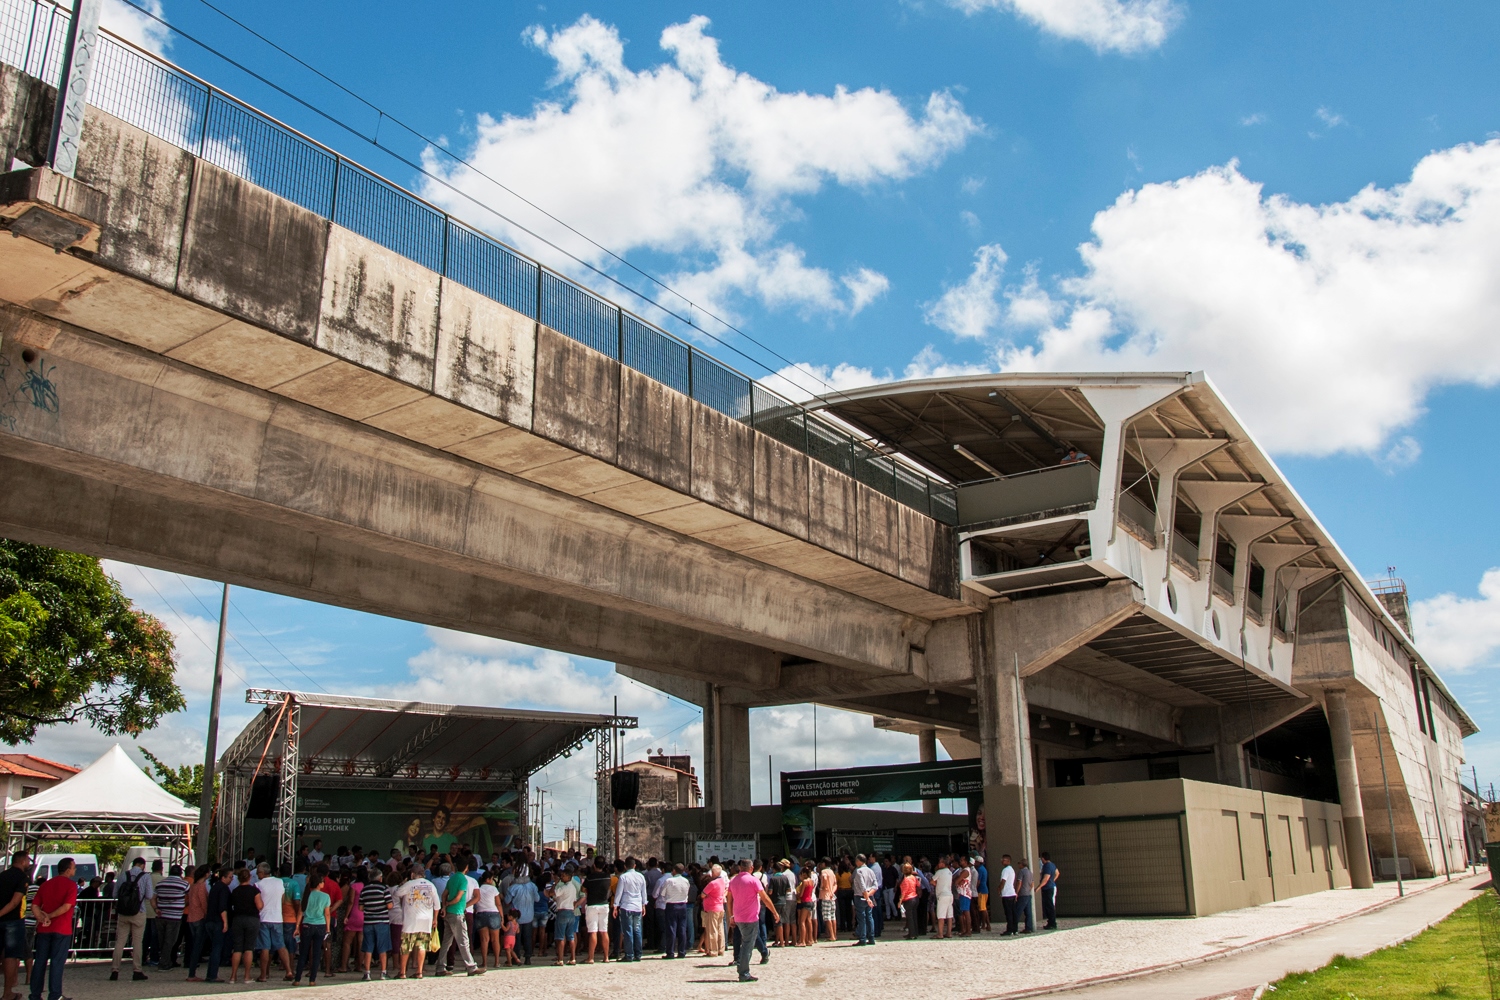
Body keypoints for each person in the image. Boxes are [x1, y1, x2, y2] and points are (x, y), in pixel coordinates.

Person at [27, 857, 76, 1000]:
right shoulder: (71, 885)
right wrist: (51, 915)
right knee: (57, 963)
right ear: (68, 870)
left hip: (44, 928)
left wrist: (41, 917)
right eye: (73, 867)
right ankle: (55, 994)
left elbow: (34, 905)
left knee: (40, 962)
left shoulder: (46, 885)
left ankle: (35, 994)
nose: (74, 870)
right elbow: (66, 906)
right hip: (62, 928)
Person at [726, 860, 777, 984]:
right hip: (750, 917)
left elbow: (729, 900)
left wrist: (731, 916)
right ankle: (743, 972)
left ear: (739, 867)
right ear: (751, 868)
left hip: (738, 917)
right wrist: (774, 912)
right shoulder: (754, 880)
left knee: (747, 943)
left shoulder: (733, 880)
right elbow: (764, 897)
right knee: (747, 945)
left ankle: (743, 968)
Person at [109, 857, 153, 981]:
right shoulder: (145, 877)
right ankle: (137, 970)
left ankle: (115, 969)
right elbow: (149, 895)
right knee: (137, 942)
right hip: (139, 911)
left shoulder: (123, 875)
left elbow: (115, 894)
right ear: (143, 865)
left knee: (120, 941)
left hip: (123, 913)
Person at [435, 862, 481, 976]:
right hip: (457, 912)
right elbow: (459, 897)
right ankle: (471, 966)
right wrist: (451, 904)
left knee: (446, 941)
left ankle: (440, 967)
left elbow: (444, 894)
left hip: (449, 913)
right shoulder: (463, 880)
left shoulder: (451, 879)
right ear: (466, 867)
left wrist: (445, 906)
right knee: (464, 941)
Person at [396, 867, 439, 979]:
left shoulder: (410, 884)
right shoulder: (430, 885)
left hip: (411, 919)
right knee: (422, 945)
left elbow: (397, 893)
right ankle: (419, 971)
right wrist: (435, 919)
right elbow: (437, 905)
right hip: (426, 919)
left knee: (406, 946)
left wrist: (403, 883)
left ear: (412, 874)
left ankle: (402, 972)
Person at [254, 862, 292, 982]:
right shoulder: (279, 882)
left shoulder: (257, 885)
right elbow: (282, 898)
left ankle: (263, 975)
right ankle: (289, 971)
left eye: (258, 872)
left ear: (262, 872)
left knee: (265, 947)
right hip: (277, 917)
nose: (256, 874)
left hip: (264, 917)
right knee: (281, 945)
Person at [0, 851, 30, 1000]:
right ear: (23, 861)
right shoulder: (23, 878)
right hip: (13, 920)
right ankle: (7, 993)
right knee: (11, 956)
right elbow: (15, 901)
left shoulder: (2, 875)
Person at [292, 871, 330, 986]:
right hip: (320, 925)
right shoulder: (325, 896)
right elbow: (327, 914)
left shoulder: (306, 894)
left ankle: (297, 979)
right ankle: (312, 979)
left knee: (303, 952)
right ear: (319, 884)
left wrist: (297, 926)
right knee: (317, 952)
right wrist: (328, 928)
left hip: (307, 924)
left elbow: (300, 912)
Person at [227, 868, 262, 985]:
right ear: (249, 877)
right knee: (249, 948)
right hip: (252, 919)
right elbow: (259, 906)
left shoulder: (235, 891)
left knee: (237, 948)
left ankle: (233, 976)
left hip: (237, 919)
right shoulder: (254, 890)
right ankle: (247, 976)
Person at [153, 864, 189, 971]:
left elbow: (153, 897)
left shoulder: (160, 884)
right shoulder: (184, 884)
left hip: (161, 915)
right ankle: (164, 963)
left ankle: (165, 960)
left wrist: (156, 908)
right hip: (175, 916)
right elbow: (189, 897)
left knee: (162, 940)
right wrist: (182, 905)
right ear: (180, 873)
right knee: (170, 940)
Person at [358, 869, 393, 981]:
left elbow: (360, 907)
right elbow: (390, 906)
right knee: (382, 948)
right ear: (380, 878)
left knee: (368, 948)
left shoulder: (364, 890)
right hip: (382, 921)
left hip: (368, 922)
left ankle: (367, 973)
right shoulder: (383, 889)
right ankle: (383, 973)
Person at [611, 859, 646, 962]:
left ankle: (629, 954)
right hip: (638, 906)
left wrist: (615, 906)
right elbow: (643, 892)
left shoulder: (623, 877)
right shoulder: (641, 876)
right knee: (637, 930)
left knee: (628, 931)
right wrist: (644, 904)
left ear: (625, 866)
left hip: (626, 906)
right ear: (634, 866)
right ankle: (638, 954)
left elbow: (619, 892)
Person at [504, 868, 540, 966]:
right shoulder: (532, 886)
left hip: (516, 917)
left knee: (516, 938)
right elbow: (537, 899)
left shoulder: (513, 887)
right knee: (527, 937)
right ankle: (528, 957)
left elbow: (507, 901)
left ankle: (516, 957)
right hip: (529, 916)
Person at [658, 864, 691, 959]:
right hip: (683, 905)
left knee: (671, 929)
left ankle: (670, 952)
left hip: (671, 905)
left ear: (674, 870)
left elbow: (662, 893)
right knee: (682, 929)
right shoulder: (686, 881)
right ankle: (682, 951)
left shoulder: (669, 881)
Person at [581, 861, 611, 964]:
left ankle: (591, 957)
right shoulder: (607, 877)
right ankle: (606, 957)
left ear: (594, 865)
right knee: (604, 931)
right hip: (604, 904)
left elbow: (583, 888)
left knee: (593, 931)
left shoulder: (590, 877)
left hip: (592, 904)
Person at [549, 865, 579, 965]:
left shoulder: (563, 887)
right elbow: (574, 901)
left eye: (563, 876)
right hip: (571, 911)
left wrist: (554, 884)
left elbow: (552, 893)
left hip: (562, 911)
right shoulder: (573, 888)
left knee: (560, 936)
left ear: (568, 876)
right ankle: (573, 958)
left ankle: (560, 959)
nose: (561, 877)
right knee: (571, 936)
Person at [473, 870, 501, 969]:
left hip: (481, 913)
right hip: (493, 913)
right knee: (495, 940)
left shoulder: (478, 889)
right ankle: (497, 962)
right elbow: (498, 904)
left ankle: (484, 963)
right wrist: (501, 916)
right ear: (488, 879)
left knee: (484, 940)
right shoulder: (493, 889)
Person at [699, 864, 727, 956]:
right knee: (720, 929)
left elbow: (703, 894)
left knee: (712, 930)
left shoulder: (712, 883)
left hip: (712, 908)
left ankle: (713, 951)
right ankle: (721, 949)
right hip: (720, 907)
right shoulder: (722, 881)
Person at [852, 854, 879, 946]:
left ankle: (862, 938)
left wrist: (866, 897)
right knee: (869, 916)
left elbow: (862, 886)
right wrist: (869, 895)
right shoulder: (870, 871)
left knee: (861, 917)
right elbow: (875, 886)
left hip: (860, 896)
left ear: (859, 861)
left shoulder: (858, 871)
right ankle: (871, 937)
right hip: (869, 895)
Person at [816, 858, 838, 943]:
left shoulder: (824, 871)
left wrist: (823, 886)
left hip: (825, 896)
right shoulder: (832, 872)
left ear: (824, 864)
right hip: (832, 896)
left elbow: (824, 878)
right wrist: (832, 891)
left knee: (827, 916)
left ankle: (831, 935)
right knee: (833, 916)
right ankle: (834, 934)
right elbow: (835, 884)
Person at [997, 854, 1018, 936]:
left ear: (1008, 861)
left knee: (1008, 913)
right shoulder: (1012, 870)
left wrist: (999, 889)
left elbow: (1003, 881)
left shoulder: (1005, 870)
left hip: (1007, 894)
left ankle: (1010, 930)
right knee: (1013, 912)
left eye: (1004, 859)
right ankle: (1014, 929)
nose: (1002, 861)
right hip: (1012, 893)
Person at [795, 865, 816, 947]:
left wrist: (797, 895)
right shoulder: (811, 881)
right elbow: (810, 893)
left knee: (802, 921)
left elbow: (801, 894)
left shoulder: (804, 882)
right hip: (810, 901)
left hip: (805, 902)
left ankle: (803, 941)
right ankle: (810, 939)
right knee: (809, 920)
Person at [898, 863, 921, 939]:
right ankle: (915, 933)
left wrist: (900, 901)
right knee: (914, 917)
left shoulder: (905, 880)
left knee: (909, 918)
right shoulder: (913, 878)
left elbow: (903, 892)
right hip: (915, 898)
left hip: (908, 899)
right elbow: (918, 885)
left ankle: (911, 934)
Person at [1038, 852, 1060, 930]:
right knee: (1050, 905)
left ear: (1043, 858)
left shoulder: (1046, 866)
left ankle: (1052, 923)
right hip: (1051, 887)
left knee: (1049, 906)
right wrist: (1053, 880)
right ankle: (1051, 922)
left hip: (1048, 888)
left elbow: (1046, 878)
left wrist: (1039, 887)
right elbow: (1057, 873)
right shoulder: (1052, 865)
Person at [1014, 858, 1035, 934]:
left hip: (1022, 894)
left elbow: (1019, 882)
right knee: (1028, 913)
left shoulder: (1021, 872)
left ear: (1022, 864)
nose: (1018, 865)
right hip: (1028, 894)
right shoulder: (1030, 872)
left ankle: (1014, 928)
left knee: (1017, 911)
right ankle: (1028, 928)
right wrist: (1029, 889)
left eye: (1019, 863)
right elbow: (1032, 883)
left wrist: (1016, 892)